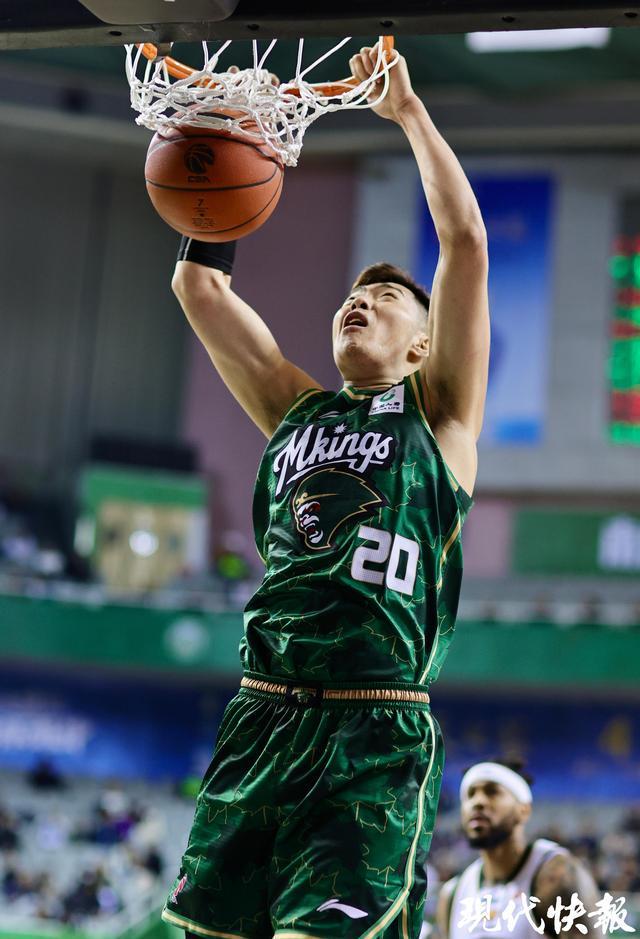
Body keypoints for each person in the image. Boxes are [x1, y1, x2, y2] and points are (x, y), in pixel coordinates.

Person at [162, 41, 490, 939]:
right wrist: (226, 131)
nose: (361, 299)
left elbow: (465, 242)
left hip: (370, 731)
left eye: (384, 296)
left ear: (422, 345)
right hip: (260, 713)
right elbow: (198, 285)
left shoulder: (440, 417)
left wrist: (408, 114)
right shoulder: (294, 408)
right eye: (353, 292)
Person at [436, 761, 599, 939]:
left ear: (524, 810)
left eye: (492, 792)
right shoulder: (452, 893)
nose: (478, 802)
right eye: (470, 794)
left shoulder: (557, 876)